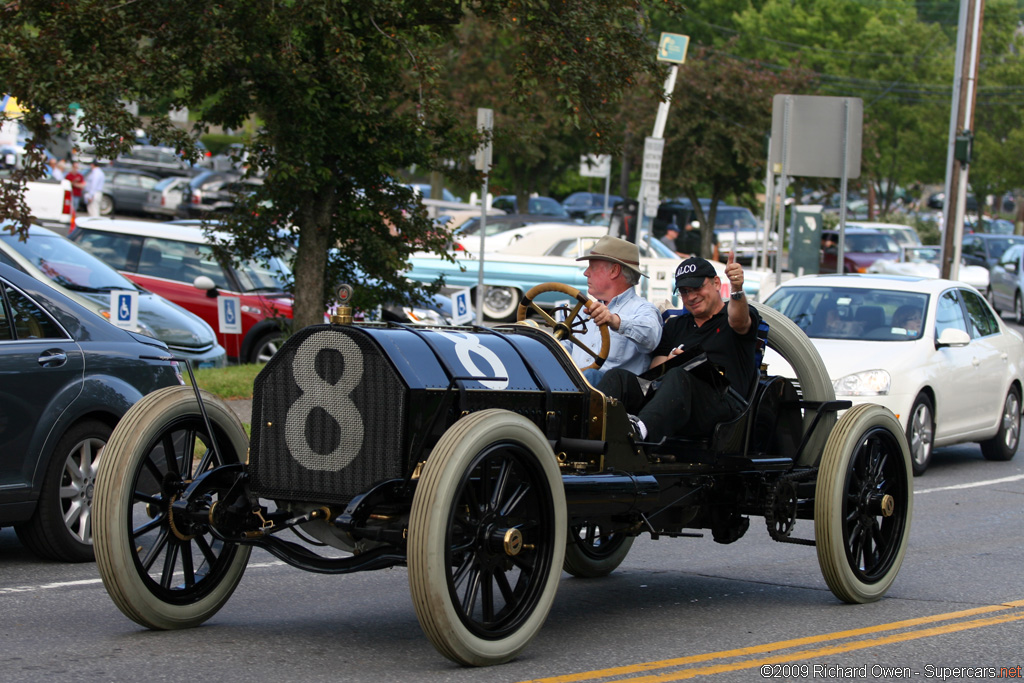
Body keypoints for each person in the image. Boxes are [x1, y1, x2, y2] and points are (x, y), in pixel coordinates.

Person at [597, 253, 760, 443]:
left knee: (679, 375)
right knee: (618, 377)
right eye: (684, 291)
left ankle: (638, 434)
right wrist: (674, 360)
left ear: (716, 283)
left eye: (697, 288)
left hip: (724, 405)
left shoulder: (731, 318)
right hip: (676, 402)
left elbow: (740, 321)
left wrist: (737, 289)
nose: (691, 296)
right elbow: (654, 370)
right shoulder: (676, 325)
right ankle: (589, 427)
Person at [569, 235, 663, 384]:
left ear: (614, 271)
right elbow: (567, 347)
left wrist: (614, 321)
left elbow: (651, 336)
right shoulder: (584, 309)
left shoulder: (643, 309)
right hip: (576, 388)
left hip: (614, 398)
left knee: (591, 376)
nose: (586, 273)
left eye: (592, 267)